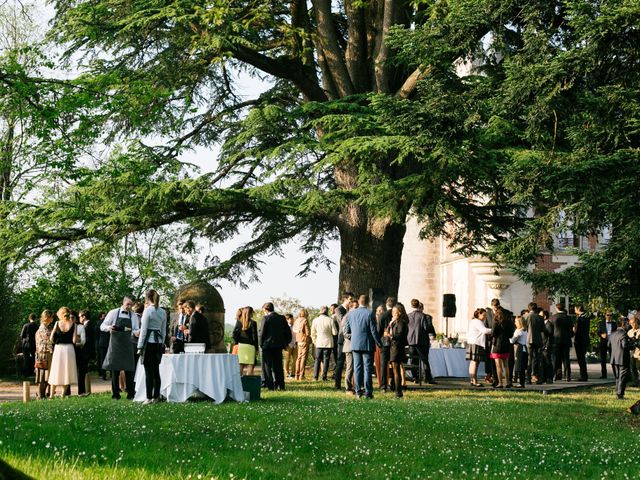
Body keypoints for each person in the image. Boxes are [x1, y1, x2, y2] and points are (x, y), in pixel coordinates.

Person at [344, 294, 382, 399]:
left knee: (357, 368)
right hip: (367, 344)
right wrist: (379, 343)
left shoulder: (351, 314)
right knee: (367, 369)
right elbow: (373, 331)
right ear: (368, 302)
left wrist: (354, 337)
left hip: (355, 344)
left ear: (359, 302)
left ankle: (358, 392)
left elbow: (347, 330)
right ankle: (368, 392)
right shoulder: (369, 314)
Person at [101, 296, 138, 400]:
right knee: (115, 370)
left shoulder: (133, 315)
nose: (129, 307)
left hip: (128, 344)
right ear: (123, 303)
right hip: (115, 345)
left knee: (129, 370)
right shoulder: (113, 312)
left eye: (131, 305)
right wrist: (109, 328)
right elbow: (102, 326)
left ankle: (131, 394)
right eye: (128, 304)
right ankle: (115, 394)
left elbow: (135, 329)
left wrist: (137, 332)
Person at [137, 289, 167, 404]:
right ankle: (156, 396)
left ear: (147, 298)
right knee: (156, 371)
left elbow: (143, 330)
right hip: (158, 343)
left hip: (148, 343)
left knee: (148, 371)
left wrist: (140, 346)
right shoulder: (162, 312)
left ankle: (148, 397)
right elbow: (164, 330)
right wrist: (162, 343)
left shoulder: (148, 311)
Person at [260, 302, 292, 390]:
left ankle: (270, 386)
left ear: (266, 309)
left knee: (267, 367)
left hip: (267, 346)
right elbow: (288, 332)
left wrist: (261, 344)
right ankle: (281, 385)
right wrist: (285, 343)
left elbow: (262, 333)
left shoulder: (266, 318)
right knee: (278, 366)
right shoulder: (282, 318)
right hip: (278, 346)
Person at [48, 307, 78, 398]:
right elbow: (74, 340)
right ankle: (62, 395)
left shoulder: (57, 323)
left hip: (59, 349)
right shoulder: (74, 324)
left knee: (56, 370)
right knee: (67, 371)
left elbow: (51, 338)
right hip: (69, 349)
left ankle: (51, 395)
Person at [407, 299, 436, 384]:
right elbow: (426, 328)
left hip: (411, 341)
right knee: (424, 360)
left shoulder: (408, 316)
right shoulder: (422, 316)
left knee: (413, 360)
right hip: (421, 341)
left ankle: (415, 378)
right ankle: (428, 378)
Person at [333, 292, 355, 391]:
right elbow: (343, 321)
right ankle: (337, 384)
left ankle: (351, 383)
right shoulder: (338, 309)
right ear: (345, 299)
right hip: (342, 339)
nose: (351, 300)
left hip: (351, 339)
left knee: (351, 363)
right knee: (340, 362)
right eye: (350, 299)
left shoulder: (349, 310)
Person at [311, 306, 338, 381]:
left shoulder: (315, 320)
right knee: (326, 359)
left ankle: (315, 377)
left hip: (318, 342)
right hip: (328, 343)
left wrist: (314, 342)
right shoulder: (330, 320)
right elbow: (335, 333)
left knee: (317, 360)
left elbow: (312, 333)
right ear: (327, 312)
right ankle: (324, 376)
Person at [387, 303, 409, 398]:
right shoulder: (395, 322)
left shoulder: (401, 323)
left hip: (397, 348)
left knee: (396, 370)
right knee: (394, 370)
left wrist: (390, 335)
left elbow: (400, 335)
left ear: (399, 313)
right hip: (394, 347)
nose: (392, 314)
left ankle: (398, 392)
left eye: (394, 312)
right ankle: (396, 389)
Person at [466, 308, 492, 387]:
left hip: (473, 342)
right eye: (483, 315)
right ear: (478, 314)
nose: (485, 317)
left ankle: (472, 380)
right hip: (476, 343)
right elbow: (484, 330)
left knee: (473, 362)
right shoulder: (477, 321)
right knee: (475, 362)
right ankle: (474, 381)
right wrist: (494, 330)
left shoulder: (474, 321)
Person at [608, 317, 631, 399]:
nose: (628, 325)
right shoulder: (623, 334)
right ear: (623, 324)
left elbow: (609, 345)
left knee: (617, 377)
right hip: (622, 358)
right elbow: (625, 346)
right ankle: (620, 394)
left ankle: (617, 392)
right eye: (627, 323)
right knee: (622, 377)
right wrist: (633, 345)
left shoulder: (612, 333)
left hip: (613, 358)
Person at [490, 307, 513, 389]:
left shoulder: (495, 321)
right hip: (506, 344)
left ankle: (500, 383)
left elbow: (493, 333)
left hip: (497, 345)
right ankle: (508, 382)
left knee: (498, 366)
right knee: (506, 365)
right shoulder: (508, 322)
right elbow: (511, 334)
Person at [232, 306, 259, 376]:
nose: (253, 314)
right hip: (250, 347)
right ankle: (248, 383)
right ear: (249, 313)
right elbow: (254, 337)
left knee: (240, 366)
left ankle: (239, 383)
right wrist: (256, 349)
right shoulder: (253, 323)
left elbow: (234, 334)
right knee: (250, 366)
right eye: (252, 312)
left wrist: (236, 343)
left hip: (241, 346)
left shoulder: (239, 322)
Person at [34, 310, 54, 399]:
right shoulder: (42, 328)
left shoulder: (48, 327)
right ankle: (40, 394)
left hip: (47, 352)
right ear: (47, 317)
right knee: (42, 375)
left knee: (47, 375)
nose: (53, 318)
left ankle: (42, 394)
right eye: (51, 317)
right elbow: (48, 340)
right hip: (43, 353)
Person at [552, 303, 573, 381]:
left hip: (556, 340)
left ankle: (555, 375)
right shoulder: (568, 317)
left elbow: (551, 329)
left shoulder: (554, 317)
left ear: (557, 308)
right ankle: (568, 376)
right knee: (566, 359)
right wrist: (569, 336)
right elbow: (572, 330)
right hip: (566, 340)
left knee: (555, 359)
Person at [526, 302, 544, 384]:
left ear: (529, 308)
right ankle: (540, 378)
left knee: (529, 359)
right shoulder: (540, 317)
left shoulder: (528, 317)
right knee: (539, 359)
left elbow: (524, 328)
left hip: (529, 339)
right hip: (538, 339)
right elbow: (542, 329)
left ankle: (528, 379)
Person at [596, 310, 617, 379]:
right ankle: (604, 375)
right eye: (608, 315)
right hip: (603, 342)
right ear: (605, 315)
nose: (609, 316)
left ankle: (615, 374)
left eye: (610, 315)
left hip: (612, 343)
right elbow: (598, 332)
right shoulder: (600, 323)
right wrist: (601, 335)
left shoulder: (614, 323)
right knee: (603, 359)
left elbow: (617, 332)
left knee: (613, 359)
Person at [73, 311, 89, 396]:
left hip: (79, 351)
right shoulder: (67, 326)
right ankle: (67, 392)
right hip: (70, 351)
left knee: (81, 371)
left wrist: (76, 342)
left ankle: (81, 391)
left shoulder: (80, 327)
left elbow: (83, 341)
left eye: (73, 317)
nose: (71, 319)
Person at [376, 303, 391, 392]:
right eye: (379, 310)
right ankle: (388, 384)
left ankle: (384, 385)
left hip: (383, 342)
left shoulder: (383, 316)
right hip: (387, 343)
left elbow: (378, 331)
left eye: (381, 310)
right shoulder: (399, 314)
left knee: (383, 364)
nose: (380, 311)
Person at [293, 309, 312, 380]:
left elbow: (294, 330)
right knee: (303, 358)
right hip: (304, 340)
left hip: (298, 340)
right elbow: (308, 333)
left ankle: (296, 375)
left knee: (298, 358)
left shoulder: (296, 320)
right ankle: (301, 375)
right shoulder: (305, 320)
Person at [573, 305, 591, 381]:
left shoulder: (580, 319)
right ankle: (584, 375)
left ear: (578, 309)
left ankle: (583, 375)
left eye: (575, 309)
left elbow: (578, 331)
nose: (574, 311)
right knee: (582, 359)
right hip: (584, 340)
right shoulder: (586, 318)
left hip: (580, 341)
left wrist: (574, 330)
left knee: (581, 359)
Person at [511, 316, 528, 388]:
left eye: (516, 321)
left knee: (519, 366)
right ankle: (522, 382)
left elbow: (512, 341)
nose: (515, 323)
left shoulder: (518, 331)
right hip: (524, 349)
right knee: (522, 367)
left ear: (519, 322)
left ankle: (520, 383)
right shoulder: (525, 330)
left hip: (519, 349)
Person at [20, 314, 39, 378]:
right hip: (34, 344)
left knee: (26, 358)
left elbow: (22, 335)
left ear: (29, 318)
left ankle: (25, 373)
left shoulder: (26, 325)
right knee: (34, 358)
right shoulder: (37, 326)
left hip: (26, 344)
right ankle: (33, 372)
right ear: (35, 318)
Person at [541, 310, 554, 384]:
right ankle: (544, 378)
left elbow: (550, 337)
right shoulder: (543, 324)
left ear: (544, 316)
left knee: (548, 362)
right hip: (542, 346)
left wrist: (546, 346)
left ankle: (549, 378)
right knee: (543, 362)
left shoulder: (549, 324)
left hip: (546, 347)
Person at [627, 314, 640, 387]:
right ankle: (635, 382)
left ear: (637, 322)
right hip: (632, 353)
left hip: (639, 353)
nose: (633, 324)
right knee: (633, 368)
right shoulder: (629, 332)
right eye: (631, 323)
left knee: (639, 368)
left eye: (634, 323)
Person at [96, 312, 109, 380]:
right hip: (105, 343)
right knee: (106, 359)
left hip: (103, 343)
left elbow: (97, 334)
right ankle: (105, 374)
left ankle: (103, 375)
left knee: (103, 359)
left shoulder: (99, 323)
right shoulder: (102, 323)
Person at [283, 313, 297, 378]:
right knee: (287, 360)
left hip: (295, 344)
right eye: (290, 319)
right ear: (287, 320)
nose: (292, 320)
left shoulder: (296, 326)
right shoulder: (284, 327)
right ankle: (287, 373)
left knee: (295, 359)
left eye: (292, 318)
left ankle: (293, 373)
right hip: (288, 345)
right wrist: (285, 345)